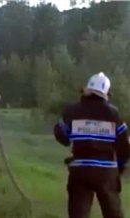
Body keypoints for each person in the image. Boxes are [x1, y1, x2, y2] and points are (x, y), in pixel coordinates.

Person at [53, 72, 130, 218]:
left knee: (78, 213)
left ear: (87, 90)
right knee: (113, 213)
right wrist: (118, 169)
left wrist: (68, 141)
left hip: (80, 169)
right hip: (106, 172)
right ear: (106, 93)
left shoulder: (73, 111)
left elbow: (60, 133)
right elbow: (125, 148)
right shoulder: (114, 114)